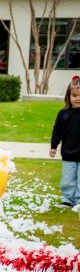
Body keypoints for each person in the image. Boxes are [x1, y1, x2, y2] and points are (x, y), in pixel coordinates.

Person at [50, 78, 80, 208]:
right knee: (67, 179)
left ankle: (79, 200)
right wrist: (53, 146)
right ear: (68, 96)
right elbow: (57, 131)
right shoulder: (63, 114)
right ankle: (67, 199)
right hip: (68, 153)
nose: (78, 98)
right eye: (74, 95)